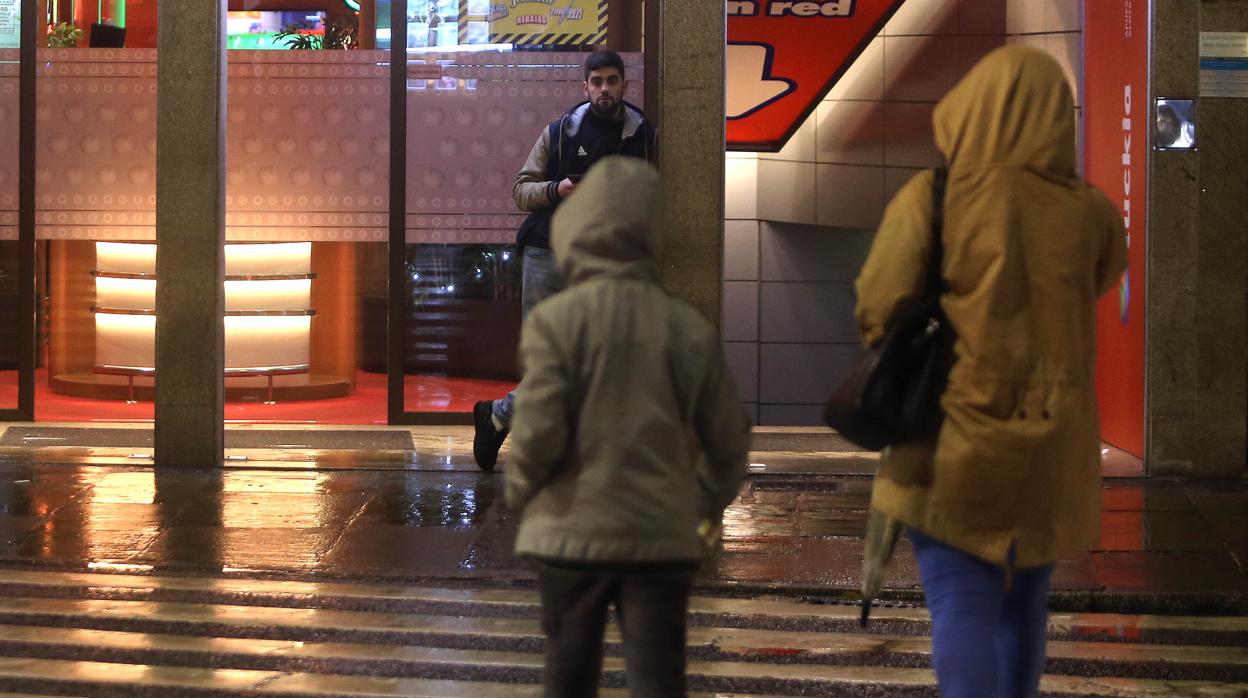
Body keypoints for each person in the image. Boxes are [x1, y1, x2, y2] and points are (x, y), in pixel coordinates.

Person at [854, 46, 1127, 698]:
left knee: (961, 597)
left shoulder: (935, 196)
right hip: (1054, 447)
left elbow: (878, 304)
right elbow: (1101, 279)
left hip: (953, 437)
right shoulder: (1091, 211)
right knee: (1025, 599)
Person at [505, 156, 750, 698]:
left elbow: (539, 430)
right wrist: (701, 504)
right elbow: (728, 439)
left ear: (575, 228)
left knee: (568, 675)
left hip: (569, 534)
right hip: (660, 538)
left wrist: (521, 491)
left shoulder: (556, 323)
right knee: (658, 678)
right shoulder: (688, 328)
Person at [473, 49, 657, 472]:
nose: (605, 89)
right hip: (548, 255)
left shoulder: (643, 137)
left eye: (612, 81)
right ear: (585, 86)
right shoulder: (560, 132)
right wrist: (558, 189)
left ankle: (498, 416)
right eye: (597, 82)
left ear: (625, 85)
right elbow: (521, 191)